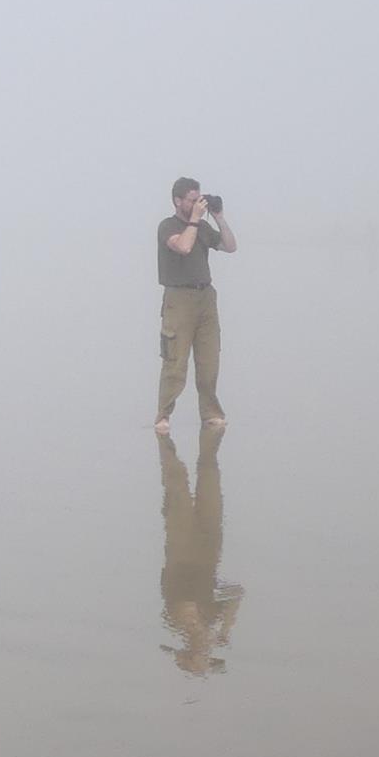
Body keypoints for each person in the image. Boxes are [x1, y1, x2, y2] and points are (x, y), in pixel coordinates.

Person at [157, 422, 243, 676]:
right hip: (207, 547)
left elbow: (188, 606)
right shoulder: (208, 618)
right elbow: (237, 593)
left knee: (191, 478)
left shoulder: (174, 620)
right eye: (206, 655)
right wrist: (224, 630)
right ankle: (165, 439)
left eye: (202, 654)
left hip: (183, 544)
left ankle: (174, 441)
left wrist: (205, 634)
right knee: (197, 476)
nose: (206, 650)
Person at [155, 175, 238, 433]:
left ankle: (211, 413)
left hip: (205, 298)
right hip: (179, 300)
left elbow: (230, 246)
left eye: (198, 198)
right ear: (178, 200)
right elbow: (183, 247)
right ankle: (163, 415)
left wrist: (219, 216)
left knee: (209, 362)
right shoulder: (167, 226)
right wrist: (193, 220)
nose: (197, 204)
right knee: (175, 362)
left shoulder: (202, 227)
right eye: (192, 200)